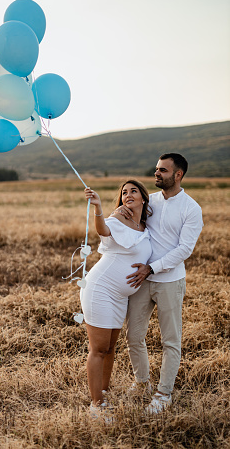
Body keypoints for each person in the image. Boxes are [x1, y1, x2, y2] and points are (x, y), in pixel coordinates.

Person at [116, 153, 203, 414]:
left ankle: (163, 394)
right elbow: (125, 225)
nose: (156, 174)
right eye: (156, 169)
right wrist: (119, 212)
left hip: (169, 281)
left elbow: (185, 249)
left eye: (163, 170)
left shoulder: (191, 208)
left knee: (170, 341)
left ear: (178, 175)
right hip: (140, 281)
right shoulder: (148, 201)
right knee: (133, 336)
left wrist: (152, 268)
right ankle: (142, 383)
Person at [81, 180, 152, 418]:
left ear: (143, 197)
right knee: (99, 348)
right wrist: (98, 207)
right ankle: (96, 405)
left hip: (120, 296)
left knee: (110, 348)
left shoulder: (145, 227)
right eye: (124, 192)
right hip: (101, 289)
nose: (128, 194)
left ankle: (103, 392)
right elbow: (102, 230)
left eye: (134, 191)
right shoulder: (117, 219)